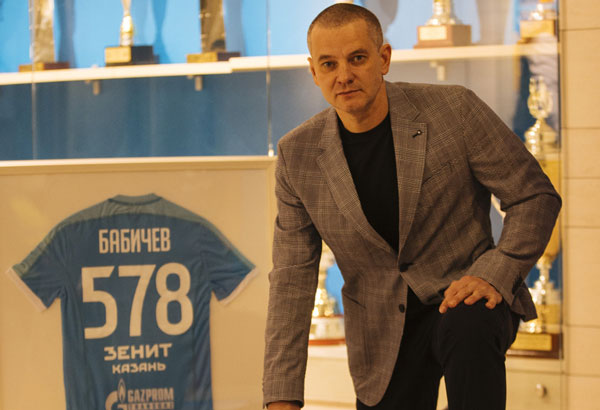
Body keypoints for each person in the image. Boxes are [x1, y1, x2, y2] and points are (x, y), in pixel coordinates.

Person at [262, 4, 561, 410]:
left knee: (469, 323)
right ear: (314, 72)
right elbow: (291, 279)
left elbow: (534, 195)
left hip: (465, 299)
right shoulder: (297, 154)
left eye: (357, 58)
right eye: (329, 64)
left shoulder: (454, 110)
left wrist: (496, 272)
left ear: (383, 58)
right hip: (381, 329)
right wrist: (281, 397)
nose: (343, 75)